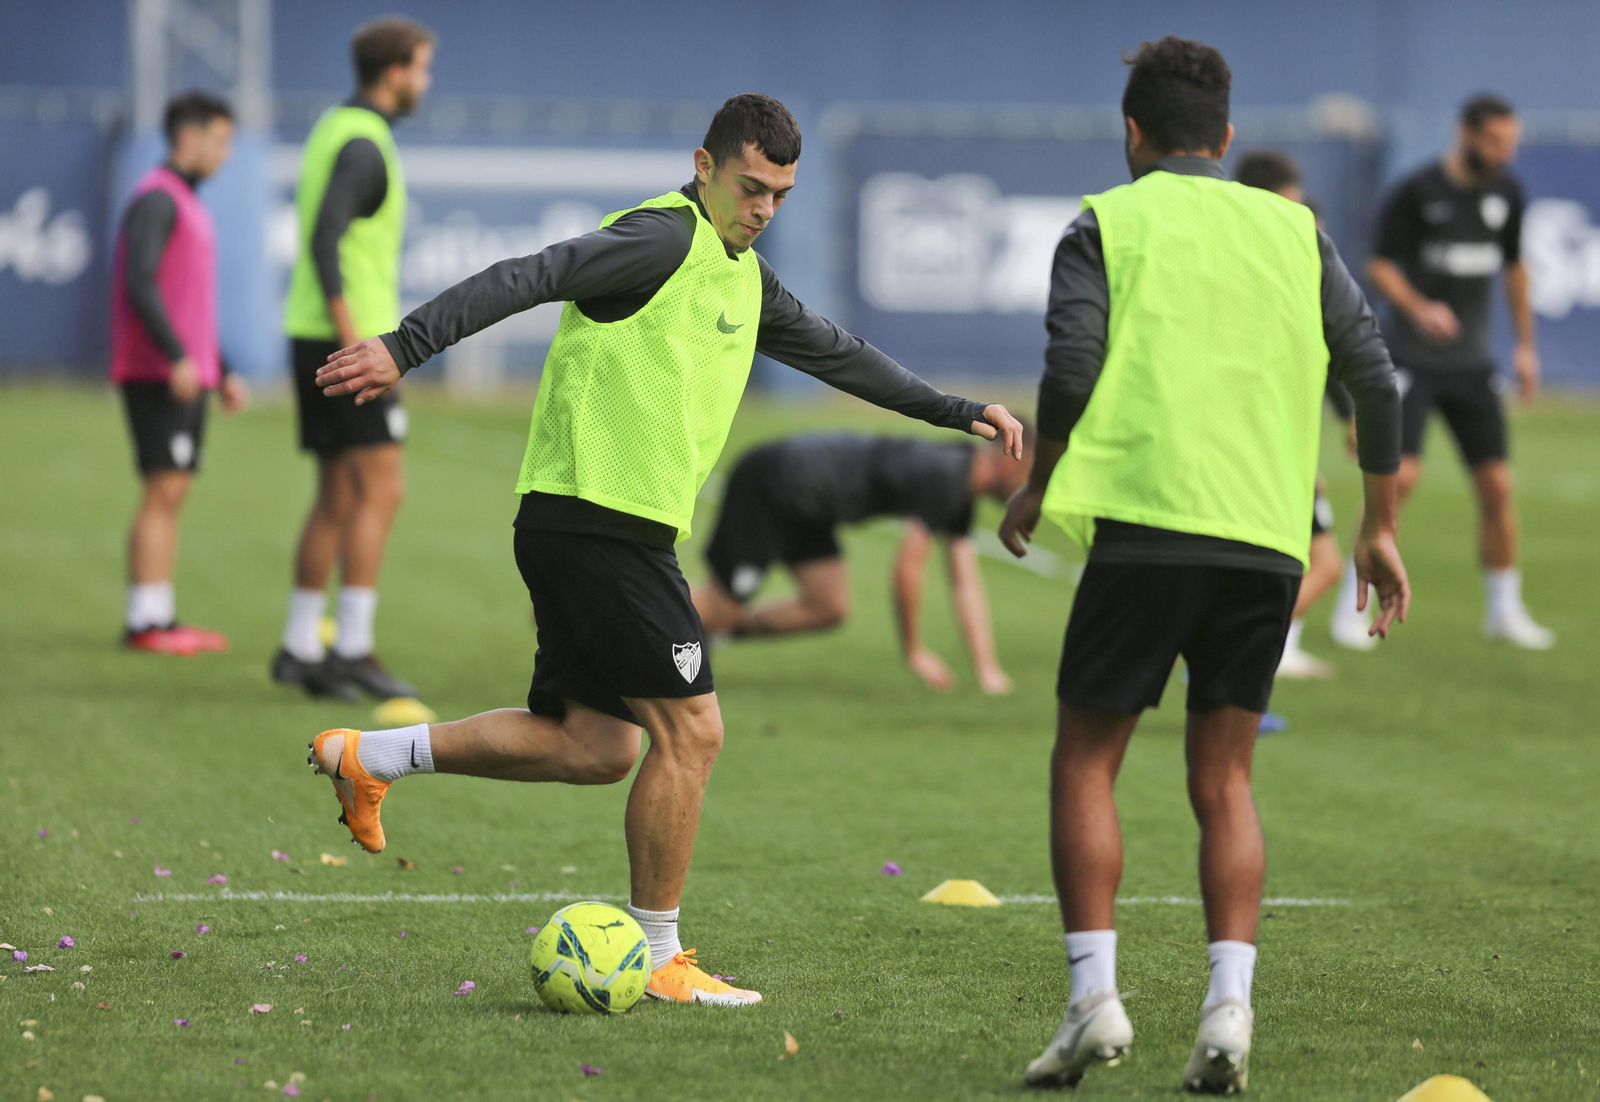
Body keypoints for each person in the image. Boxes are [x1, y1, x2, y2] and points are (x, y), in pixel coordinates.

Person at [303, 94, 1023, 1007]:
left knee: (597, 745)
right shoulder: (659, 238)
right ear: (705, 166)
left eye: (781, 196)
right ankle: (659, 956)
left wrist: (962, 412)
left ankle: (371, 757)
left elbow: (845, 358)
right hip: (597, 518)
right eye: (751, 187)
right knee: (694, 730)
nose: (763, 209)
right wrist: (408, 345)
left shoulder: (746, 277)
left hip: (603, 526)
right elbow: (533, 272)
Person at [998, 38, 1408, 1092]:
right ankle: (1228, 1007)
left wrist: (1039, 483)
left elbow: (1070, 363)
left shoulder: (1105, 220)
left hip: (1143, 528)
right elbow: (1374, 375)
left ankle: (1094, 999)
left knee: (1086, 760)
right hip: (1267, 539)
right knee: (1225, 778)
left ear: (1130, 133)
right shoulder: (1295, 229)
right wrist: (1374, 526)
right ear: (1223, 138)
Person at [1332, 92, 1550, 650]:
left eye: (1512, 142)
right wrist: (1420, 308)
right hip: (1413, 360)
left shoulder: (1508, 192)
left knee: (1498, 485)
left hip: (1473, 365)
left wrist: (1525, 347)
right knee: (1400, 479)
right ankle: (1351, 604)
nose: (1506, 152)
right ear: (1467, 134)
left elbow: (1514, 269)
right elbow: (1379, 265)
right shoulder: (1417, 191)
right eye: (1497, 141)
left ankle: (1505, 608)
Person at [272, 16, 434, 700]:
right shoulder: (365, 144)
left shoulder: (334, 127)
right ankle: (355, 649)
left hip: (311, 329)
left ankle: (302, 645)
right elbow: (323, 239)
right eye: (422, 68)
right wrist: (354, 340)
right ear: (394, 71)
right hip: (347, 339)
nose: (425, 82)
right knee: (381, 487)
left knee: (337, 491)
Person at [693, 427, 1032, 694]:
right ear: (1009, 460)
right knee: (720, 607)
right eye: (1033, 472)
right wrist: (914, 651)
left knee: (828, 607)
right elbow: (907, 571)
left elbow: (965, 582)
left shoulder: (960, 487)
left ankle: (711, 633)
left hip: (809, 506)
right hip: (773, 483)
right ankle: (652, 626)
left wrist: (987, 669)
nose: (1032, 486)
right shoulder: (947, 476)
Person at [111, 91, 248, 655]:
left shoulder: (186, 202)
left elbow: (186, 300)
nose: (227, 154)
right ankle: (146, 621)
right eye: (220, 141)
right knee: (162, 489)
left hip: (186, 373)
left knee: (173, 490)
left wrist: (224, 366)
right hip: (157, 373)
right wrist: (175, 356)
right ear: (187, 138)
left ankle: (159, 615)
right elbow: (139, 282)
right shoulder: (157, 199)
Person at [1233, 150, 1350, 681]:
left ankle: (1249, 660)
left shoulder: (1235, 261)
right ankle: (1229, 659)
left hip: (1259, 442)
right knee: (1320, 564)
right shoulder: (1269, 277)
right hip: (1266, 444)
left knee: (1278, 567)